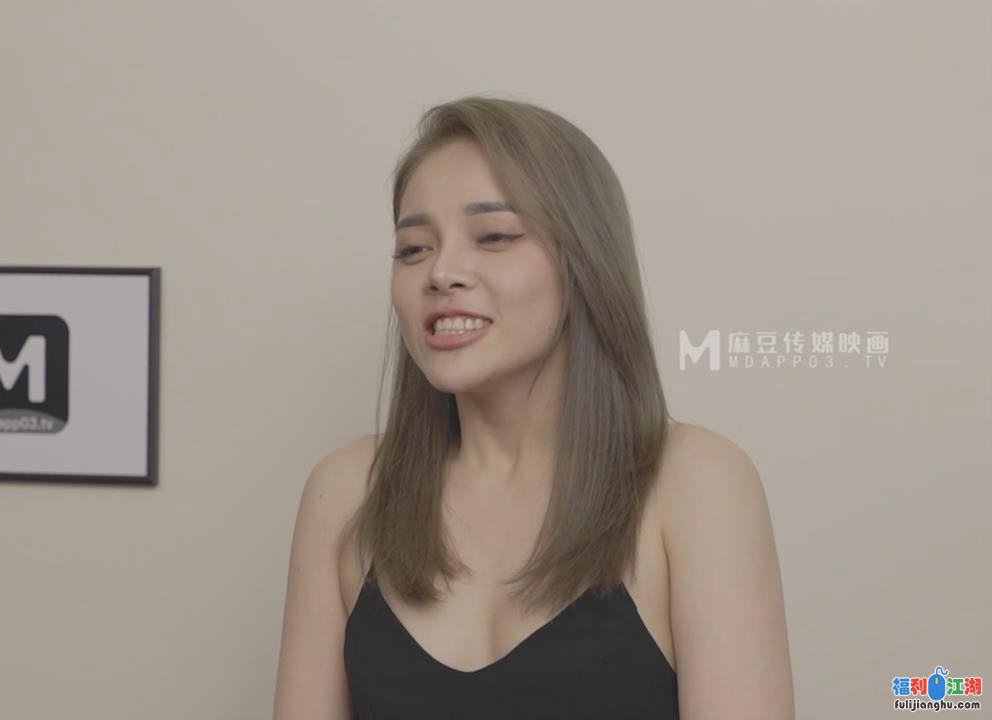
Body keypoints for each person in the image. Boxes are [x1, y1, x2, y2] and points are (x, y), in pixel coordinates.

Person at [273, 95, 794, 719]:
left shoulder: (695, 483)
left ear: (584, 261)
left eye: (494, 236)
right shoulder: (346, 492)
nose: (441, 272)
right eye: (413, 248)